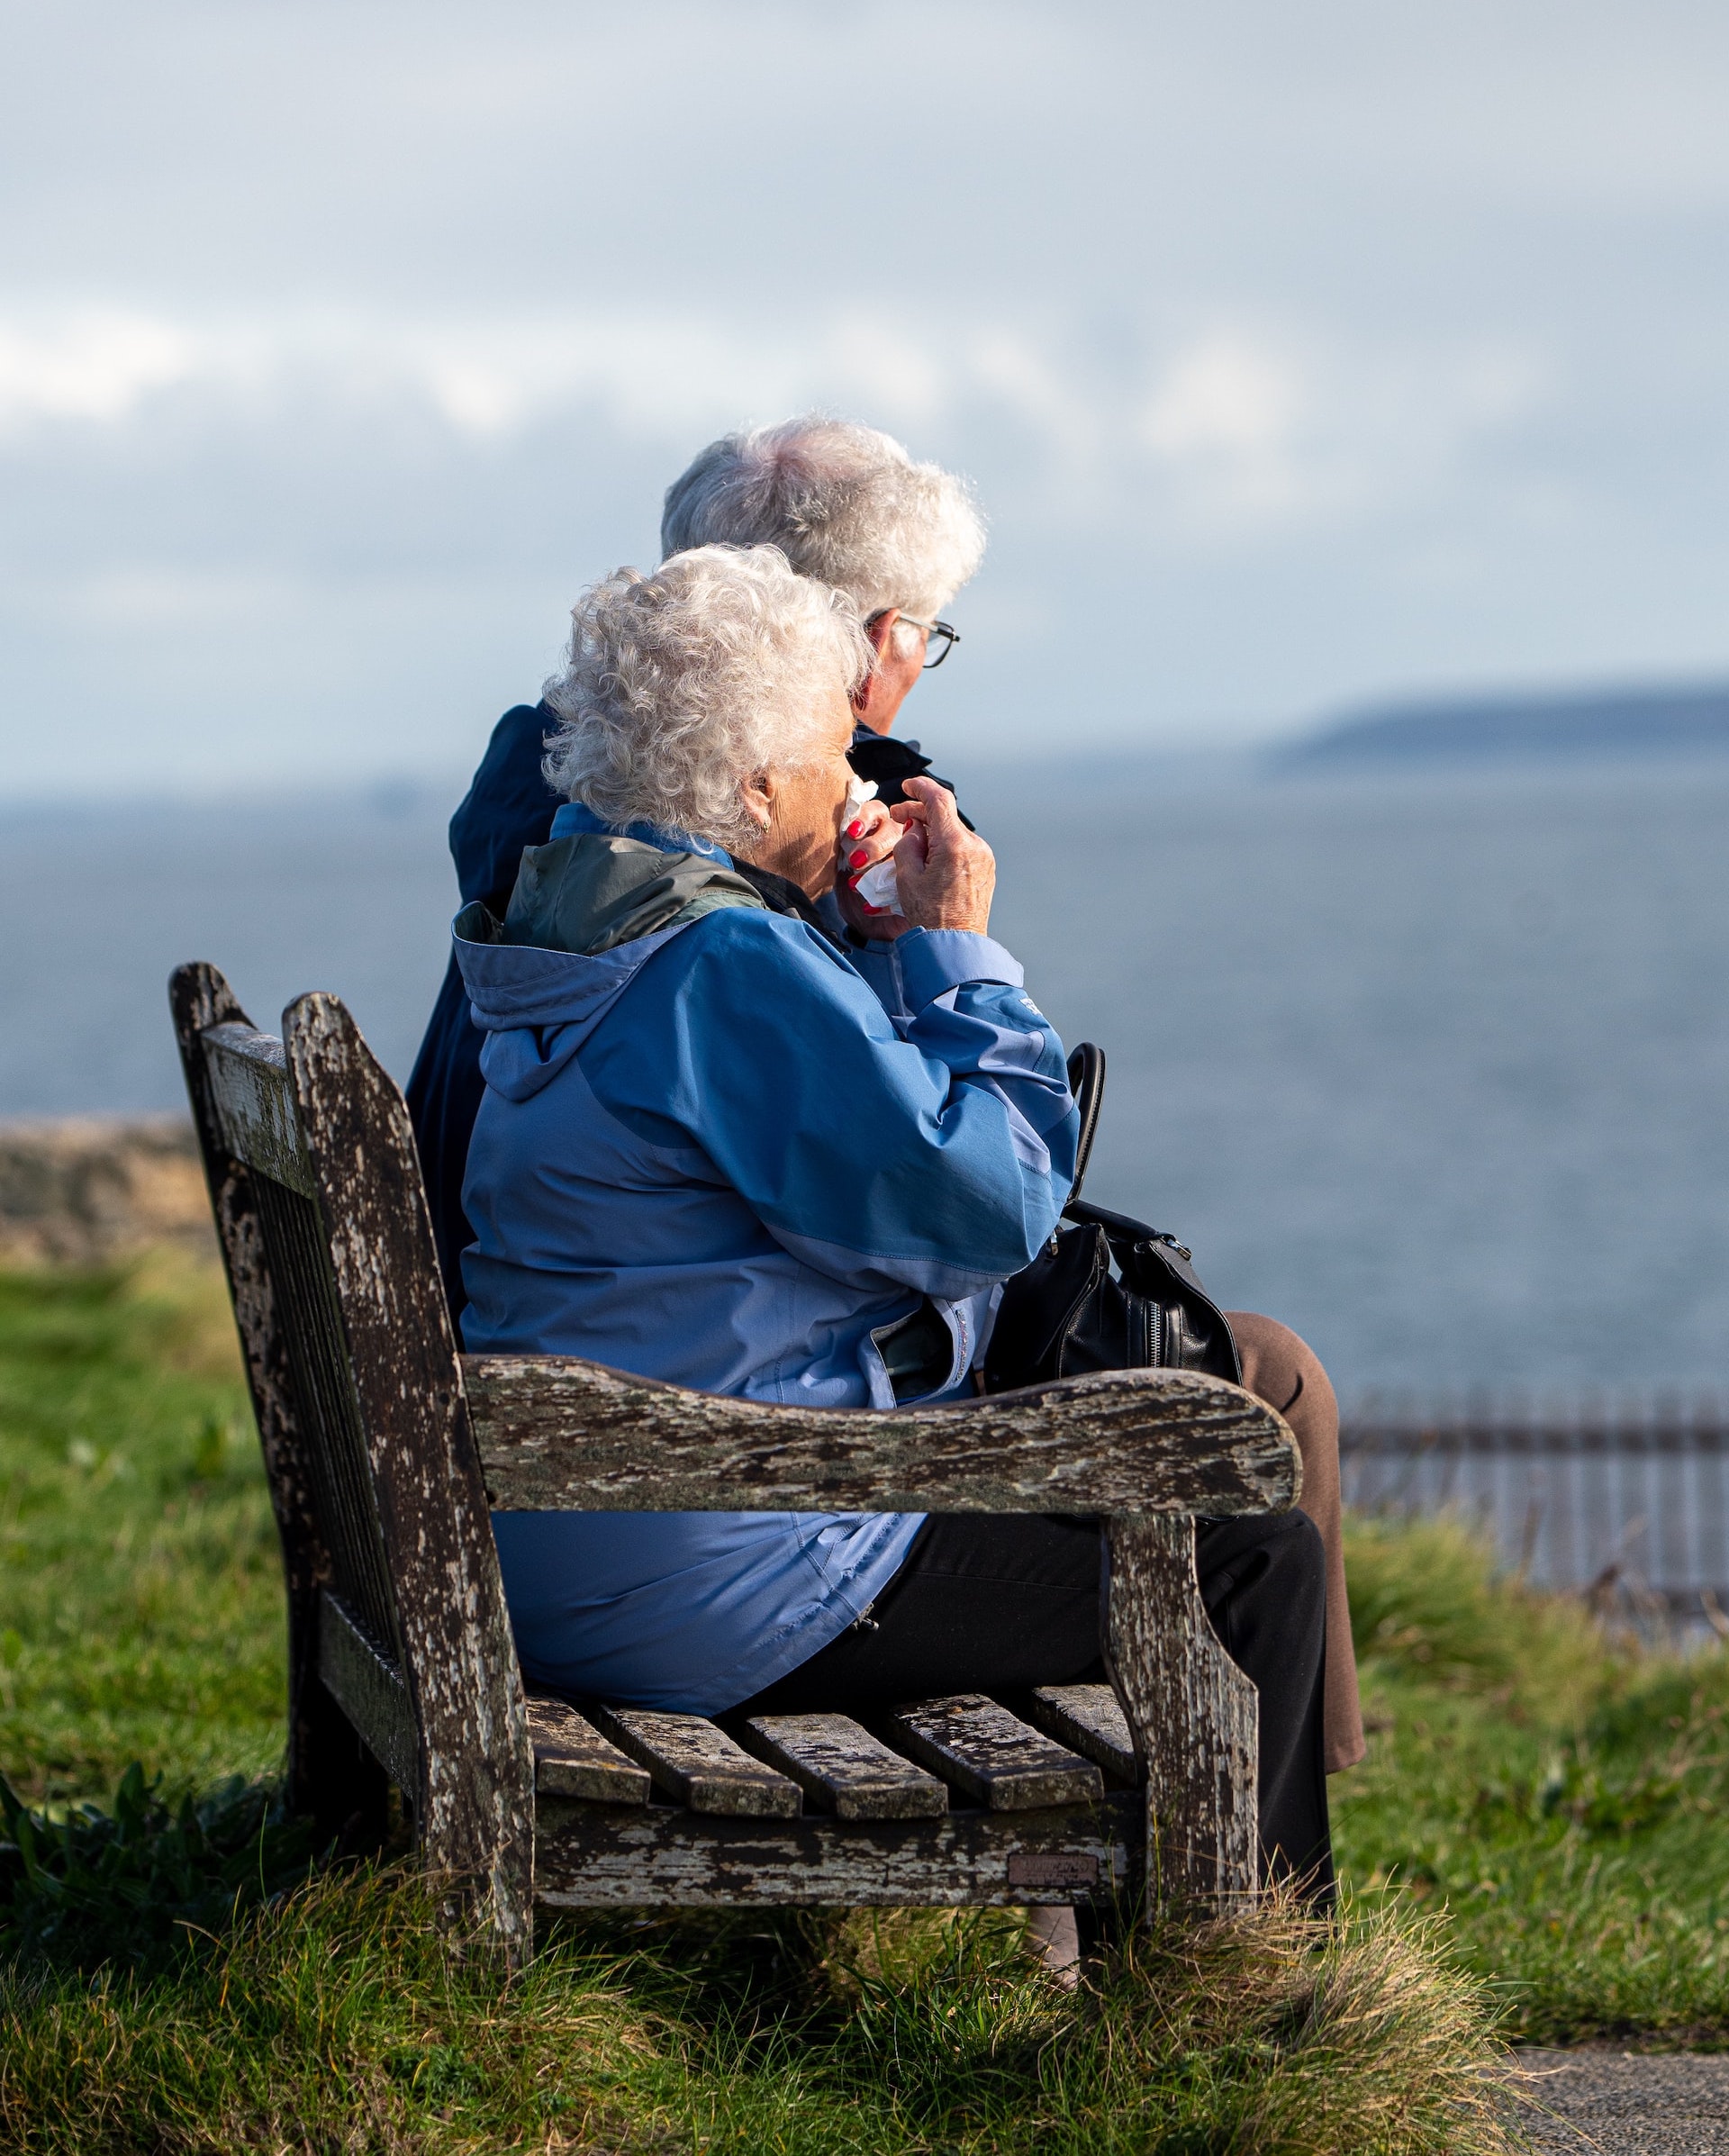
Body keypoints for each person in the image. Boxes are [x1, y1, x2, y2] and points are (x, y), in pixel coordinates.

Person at [413, 412, 1363, 1784]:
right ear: (762, 760)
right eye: (827, 738)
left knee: (1212, 1424)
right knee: (1239, 1531)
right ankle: (1251, 1957)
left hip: (570, 1447)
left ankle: (1221, 1900)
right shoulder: (719, 954)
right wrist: (952, 951)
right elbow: (973, 1219)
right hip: (713, 1521)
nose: (860, 755)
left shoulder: (563, 875)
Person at [406, 417, 982, 1327]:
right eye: (926, 629)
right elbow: (953, 1206)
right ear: (871, 640)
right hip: (673, 1375)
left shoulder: (553, 795)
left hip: (472, 1294)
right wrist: (944, 949)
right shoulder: (780, 862)